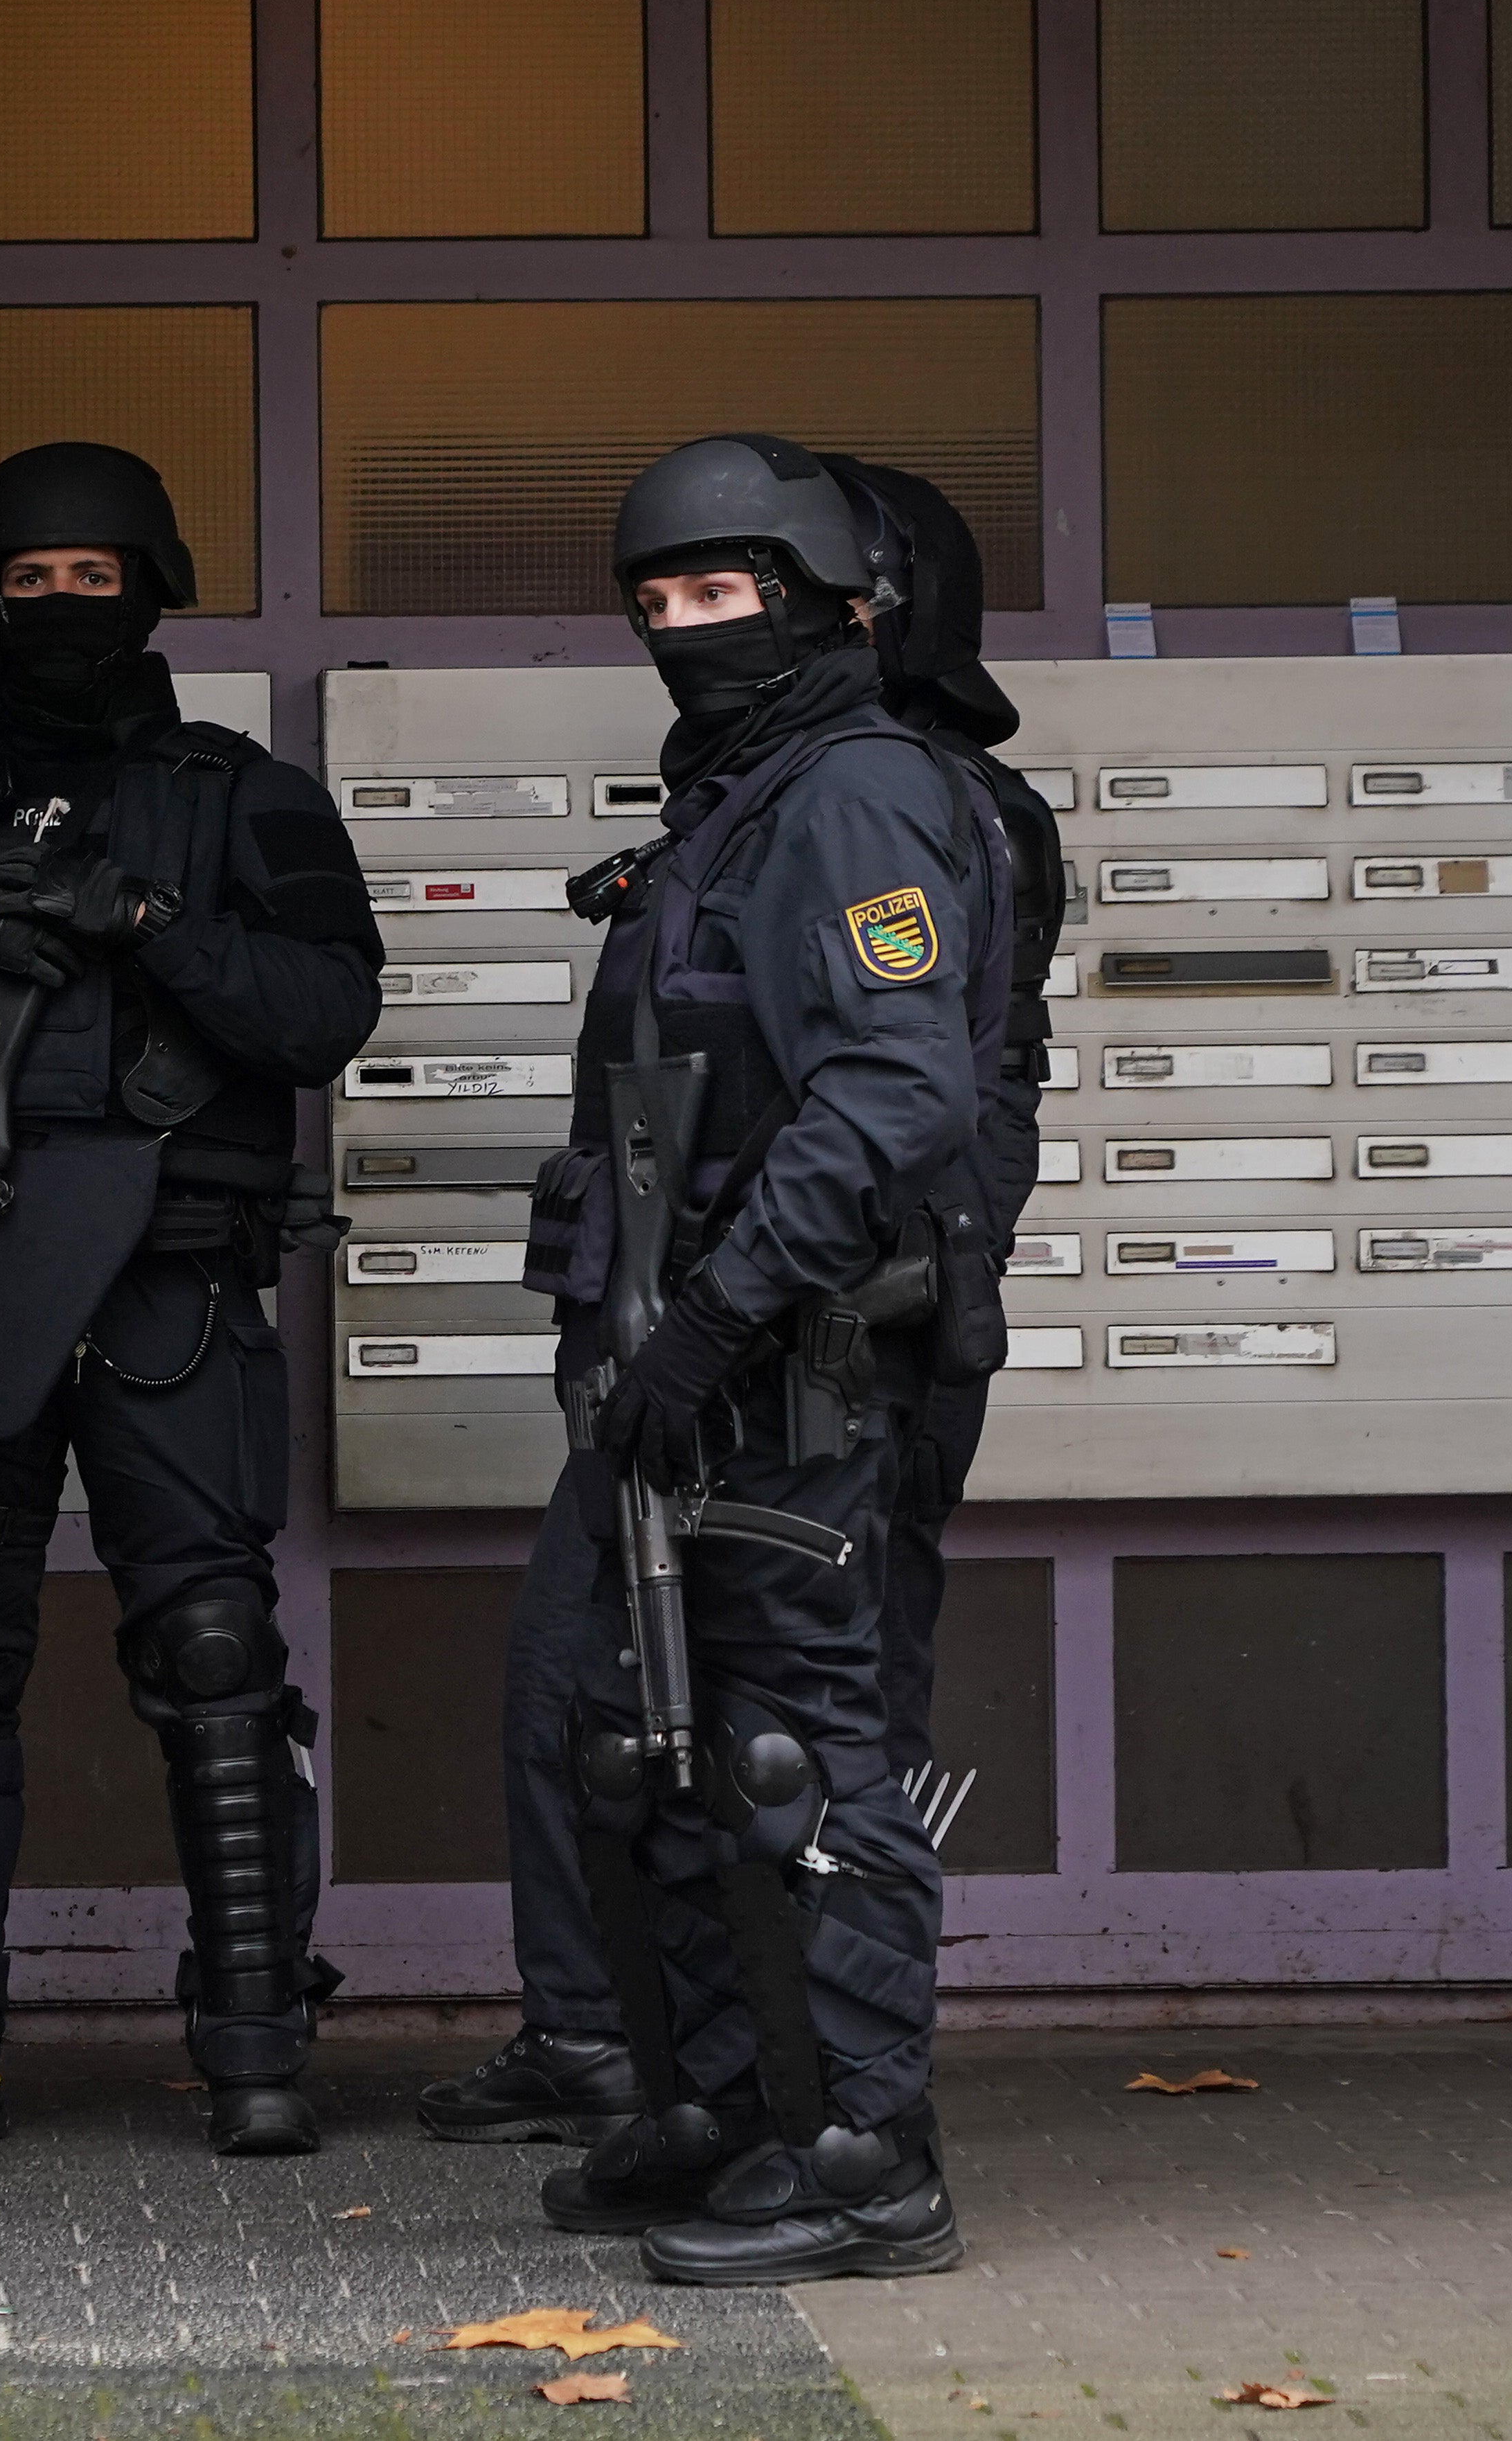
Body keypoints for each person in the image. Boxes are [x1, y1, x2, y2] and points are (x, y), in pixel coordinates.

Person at [420, 458, 1057, 2157]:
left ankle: (856, 2152)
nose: (686, 631)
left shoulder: (855, 797)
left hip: (788, 1366)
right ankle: (723, 2104)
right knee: (653, 1742)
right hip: (688, 1362)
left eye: (724, 595)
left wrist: (716, 1318)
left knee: (799, 1758)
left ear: (841, 597)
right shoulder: (745, 800)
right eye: (660, 604)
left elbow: (898, 1099)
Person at [0, 443, 382, 2161]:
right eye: (26, 580)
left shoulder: (240, 794)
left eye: (90, 577)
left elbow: (325, 1007)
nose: (57, 607)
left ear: (152, 587)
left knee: (210, 1654)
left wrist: (152, 932)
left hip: (169, 1280)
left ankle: (256, 2032)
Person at [817, 459, 1067, 1788]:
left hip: (874, 1316)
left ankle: (860, 1979)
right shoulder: (791, 793)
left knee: (852, 1675)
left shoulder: (944, 806)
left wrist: (899, 1280)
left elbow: (960, 1092)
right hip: (743, 1312)